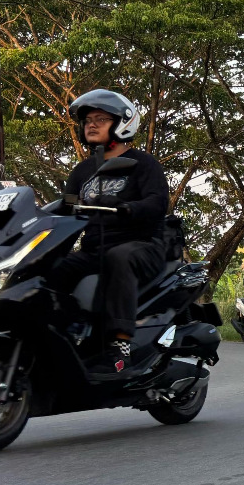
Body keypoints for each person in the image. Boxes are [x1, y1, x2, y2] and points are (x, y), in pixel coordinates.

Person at [51, 89, 169, 377]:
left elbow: (157, 202)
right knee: (52, 269)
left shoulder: (143, 164)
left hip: (142, 245)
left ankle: (120, 348)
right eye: (88, 120)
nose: (91, 124)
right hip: (94, 250)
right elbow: (66, 209)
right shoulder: (81, 172)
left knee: (119, 256)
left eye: (101, 118)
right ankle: (69, 333)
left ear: (122, 123)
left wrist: (126, 207)